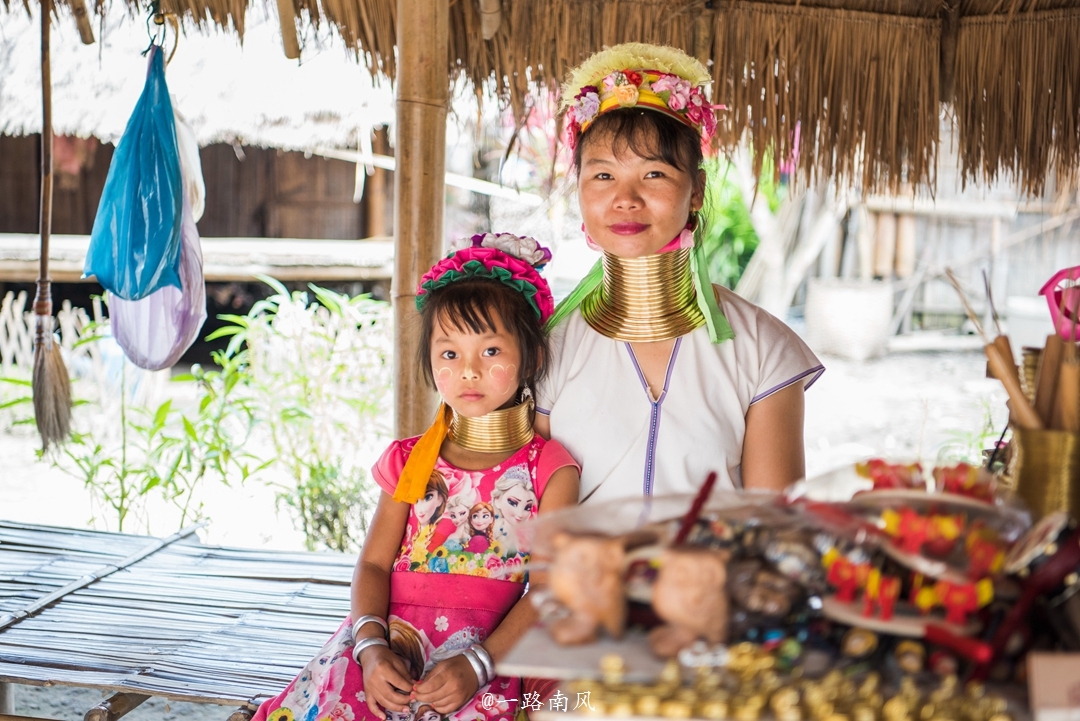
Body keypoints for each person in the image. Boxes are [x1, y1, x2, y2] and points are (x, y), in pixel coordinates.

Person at [254, 232, 581, 721]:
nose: (468, 370)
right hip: (384, 652)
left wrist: (477, 664)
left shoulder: (549, 469)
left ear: (532, 357)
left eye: (491, 351)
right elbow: (373, 565)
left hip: (484, 660)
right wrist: (369, 647)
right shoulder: (410, 460)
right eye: (450, 354)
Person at [536, 42, 824, 501]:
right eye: (603, 175)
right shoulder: (547, 350)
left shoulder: (762, 350)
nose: (625, 199)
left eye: (654, 174)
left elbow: (774, 523)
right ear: (580, 188)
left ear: (696, 190)